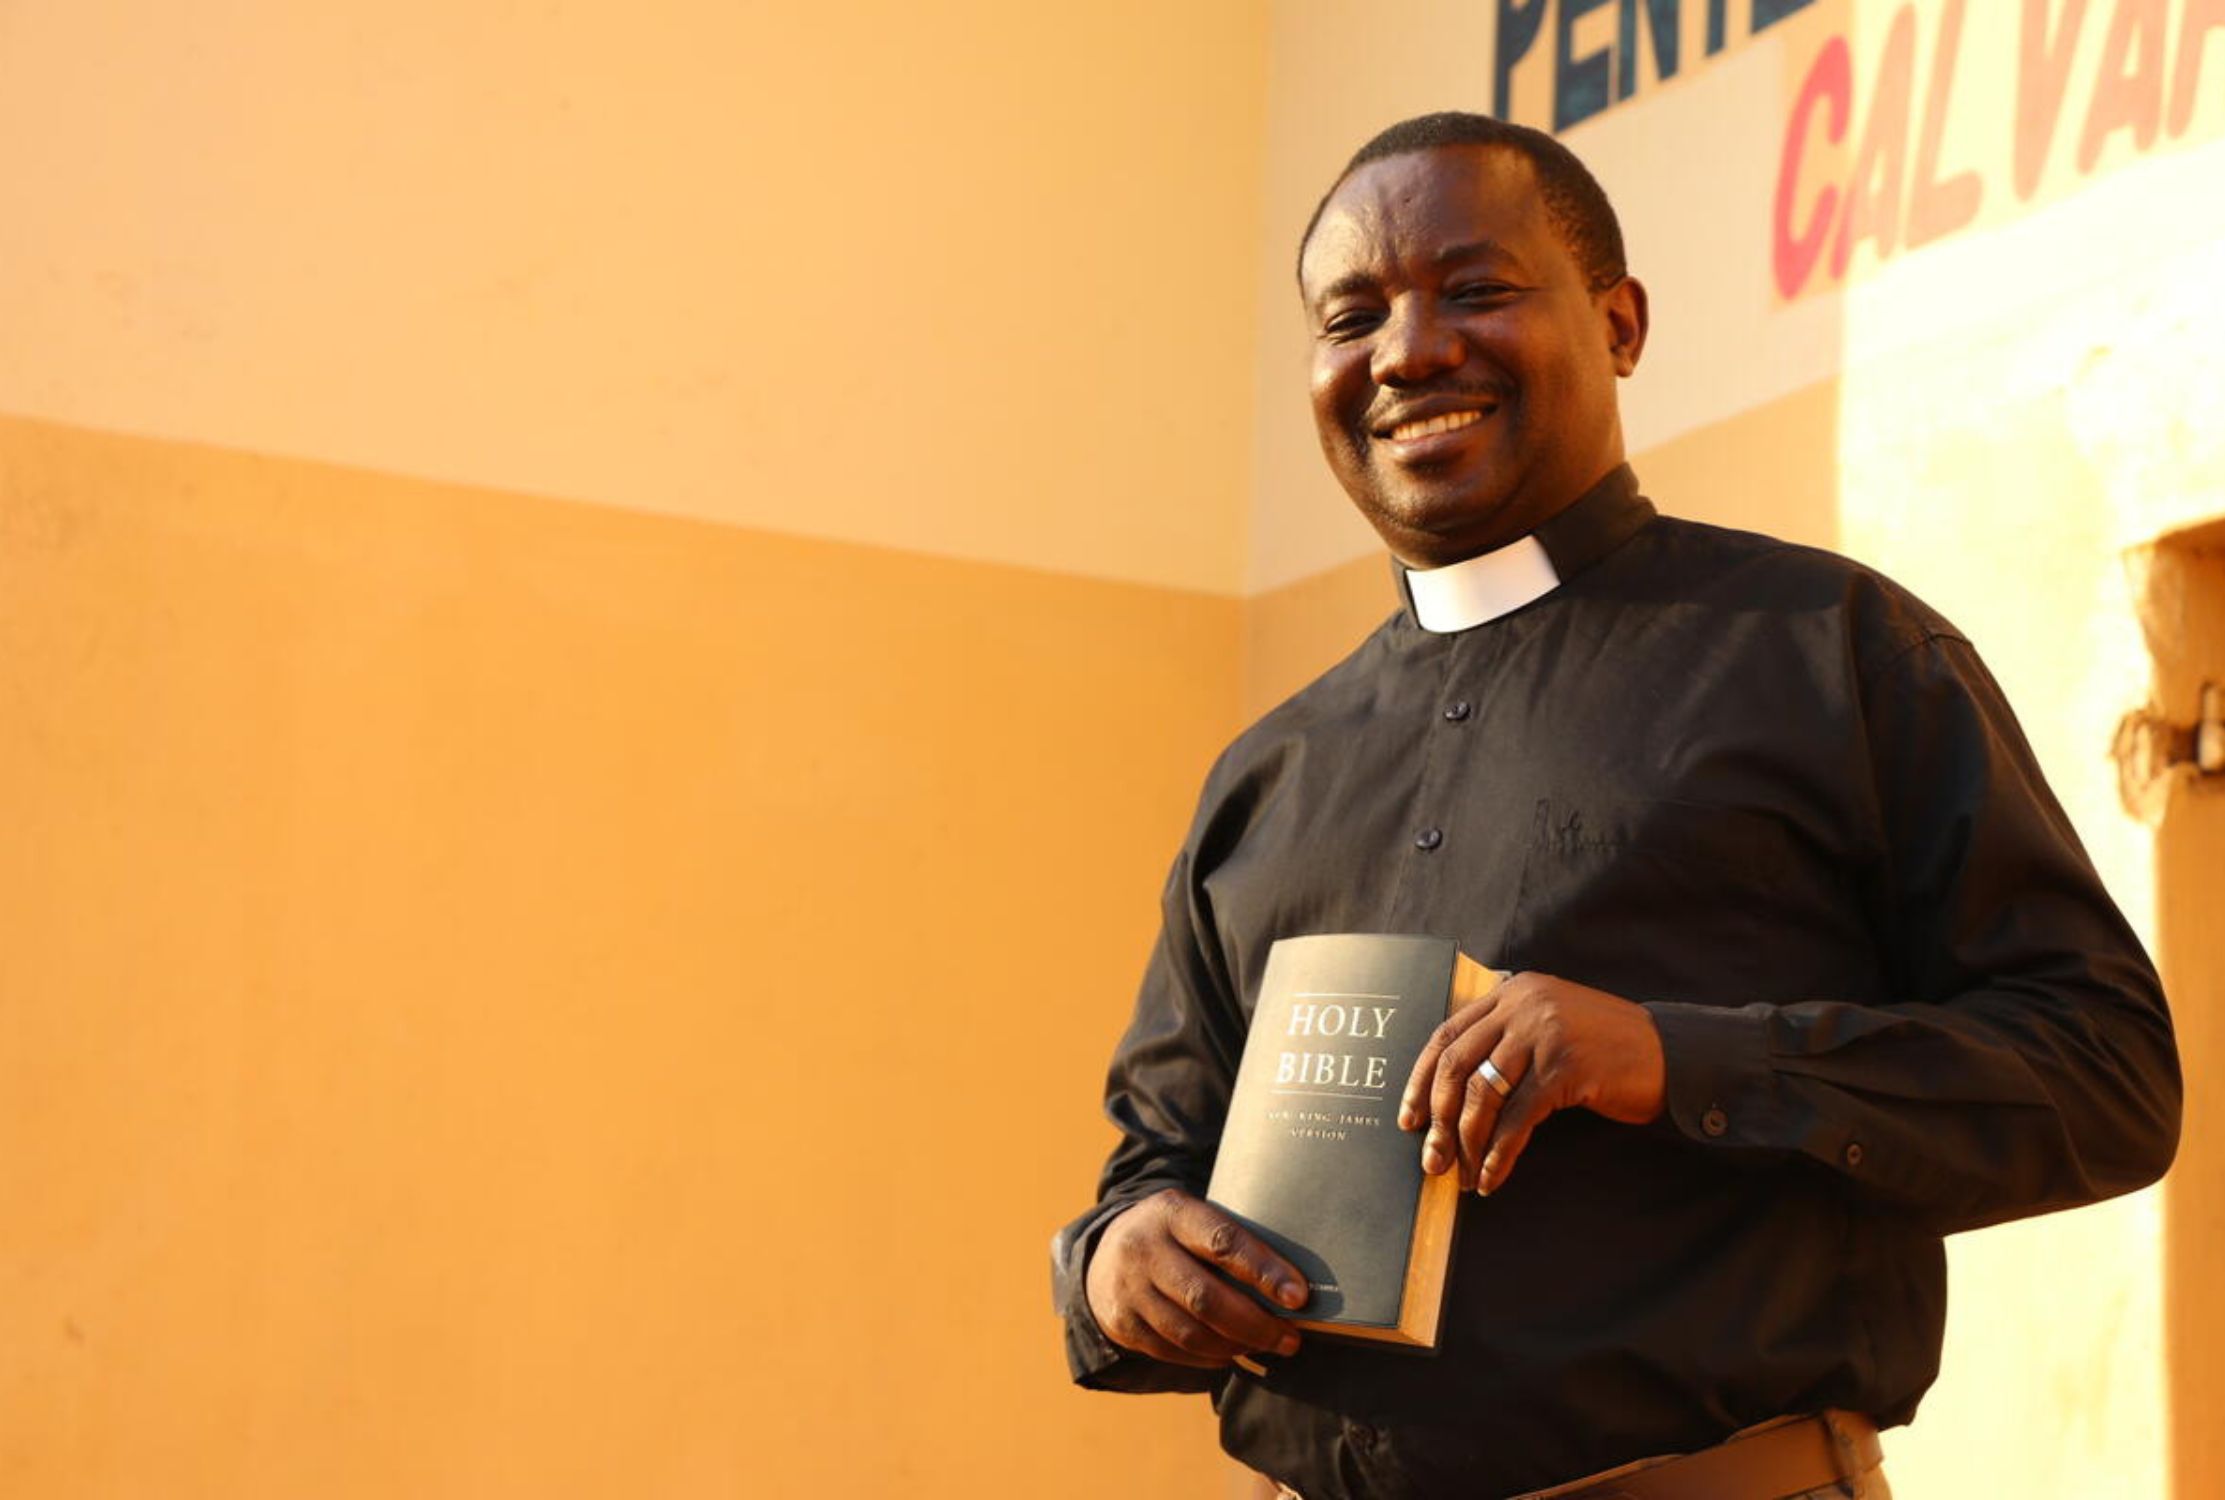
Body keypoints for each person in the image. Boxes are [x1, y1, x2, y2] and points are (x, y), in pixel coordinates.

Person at [1048, 112, 2182, 1500]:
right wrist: (1117, 1263)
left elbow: (2105, 1080)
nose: (1407, 351)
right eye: (1353, 316)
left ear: (1619, 321)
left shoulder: (1829, 652)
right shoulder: (1265, 776)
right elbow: (1154, 1162)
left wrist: (1670, 1060)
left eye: (1473, 289)